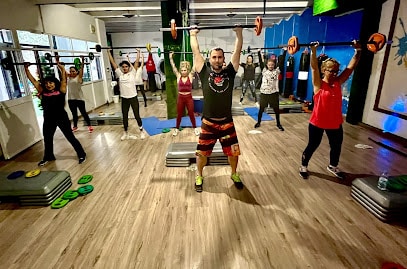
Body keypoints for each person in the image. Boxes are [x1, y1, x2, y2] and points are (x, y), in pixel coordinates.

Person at [190, 26, 244, 192]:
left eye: (220, 57)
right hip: (208, 123)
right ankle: (199, 175)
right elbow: (196, 51)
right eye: (214, 57)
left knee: (233, 153)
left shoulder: (230, 72)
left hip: (227, 123)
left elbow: (238, 50)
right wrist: (193, 34)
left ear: (223, 59)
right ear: (210, 59)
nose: (217, 60)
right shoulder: (204, 72)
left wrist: (239, 33)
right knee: (202, 154)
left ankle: (234, 173)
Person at [299, 41, 361, 180]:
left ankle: (333, 166)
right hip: (318, 122)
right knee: (313, 145)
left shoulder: (338, 82)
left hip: (335, 122)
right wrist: (313, 51)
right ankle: (303, 166)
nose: (333, 73)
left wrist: (358, 51)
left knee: (336, 146)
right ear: (324, 70)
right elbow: (314, 68)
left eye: (336, 71)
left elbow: (350, 68)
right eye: (330, 70)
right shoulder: (319, 84)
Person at [24, 57, 86, 166]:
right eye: (47, 83)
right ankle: (48, 156)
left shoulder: (61, 90)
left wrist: (62, 69)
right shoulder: (42, 91)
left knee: (70, 137)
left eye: (51, 83)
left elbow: (64, 80)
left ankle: (82, 154)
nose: (49, 85)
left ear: (55, 83)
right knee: (47, 139)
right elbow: (33, 81)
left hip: (61, 117)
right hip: (48, 119)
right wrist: (26, 69)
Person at [108, 49, 146, 141]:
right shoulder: (120, 74)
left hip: (133, 98)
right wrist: (108, 52)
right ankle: (125, 132)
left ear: (129, 67)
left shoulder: (132, 73)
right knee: (124, 116)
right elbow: (113, 63)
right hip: (124, 99)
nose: (124, 68)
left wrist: (138, 52)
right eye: (123, 67)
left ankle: (141, 131)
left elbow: (136, 62)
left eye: (126, 66)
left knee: (137, 115)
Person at [169, 51, 199, 137]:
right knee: (179, 114)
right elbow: (173, 67)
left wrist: (194, 55)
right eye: (182, 70)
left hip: (189, 97)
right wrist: (171, 58)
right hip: (181, 97)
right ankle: (177, 128)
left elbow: (194, 66)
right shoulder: (178, 76)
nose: (183, 72)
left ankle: (195, 128)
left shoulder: (190, 76)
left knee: (191, 113)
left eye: (185, 70)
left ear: (187, 70)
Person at [255, 51, 284, 131]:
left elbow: (281, 63)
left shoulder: (276, 71)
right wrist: (258, 52)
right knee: (261, 109)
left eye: (272, 65)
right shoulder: (264, 71)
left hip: (273, 94)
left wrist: (284, 51)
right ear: (267, 65)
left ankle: (278, 124)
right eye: (269, 65)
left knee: (276, 110)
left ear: (274, 65)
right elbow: (261, 62)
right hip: (264, 93)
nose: (271, 66)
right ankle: (258, 122)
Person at [64, 56, 94, 133]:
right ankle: (75, 126)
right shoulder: (69, 78)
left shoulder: (79, 78)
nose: (71, 73)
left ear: (77, 71)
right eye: (70, 71)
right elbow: (62, 71)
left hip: (79, 99)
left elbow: (82, 69)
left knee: (83, 113)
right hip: (71, 99)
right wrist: (57, 62)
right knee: (74, 114)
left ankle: (89, 126)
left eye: (73, 71)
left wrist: (82, 60)